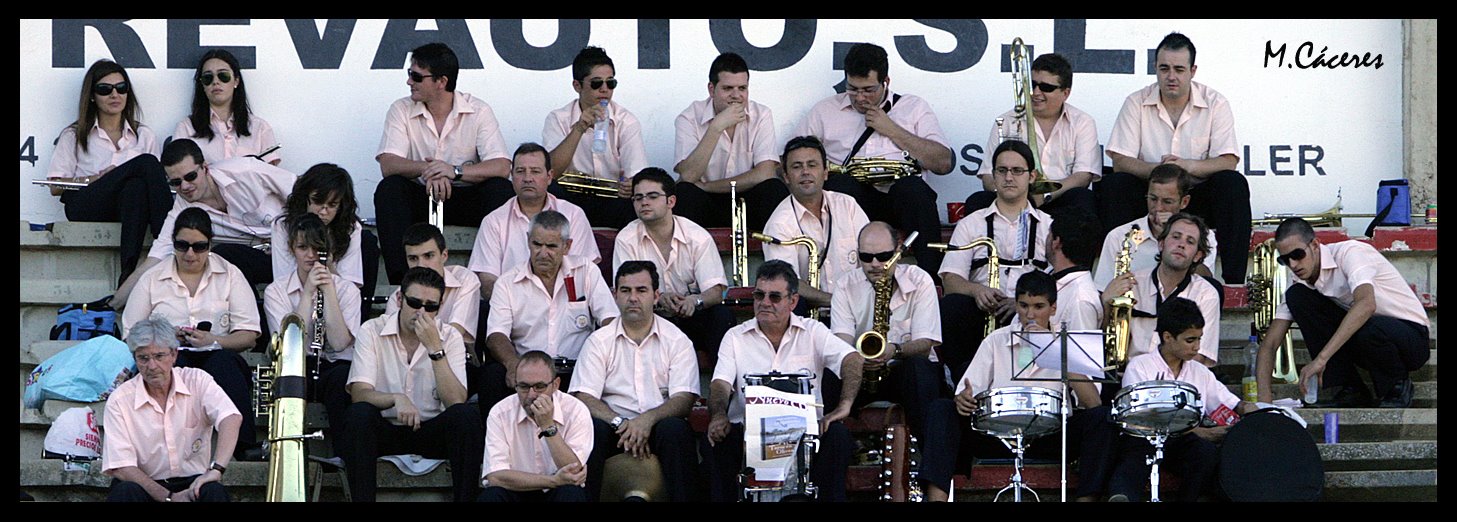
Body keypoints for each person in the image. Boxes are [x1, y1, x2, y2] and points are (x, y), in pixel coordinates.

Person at [921, 270, 1115, 502]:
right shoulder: (997, 339)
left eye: (1038, 307)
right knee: (942, 409)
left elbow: (1093, 403)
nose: (1030, 314)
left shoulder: (1068, 343)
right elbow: (966, 392)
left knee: (1103, 418)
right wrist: (962, 400)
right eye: (1023, 306)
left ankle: (1087, 500)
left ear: (1053, 308)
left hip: (1050, 434)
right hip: (997, 433)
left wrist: (1056, 350)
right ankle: (936, 499)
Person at [703, 260, 864, 502]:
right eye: (759, 295)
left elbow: (852, 358)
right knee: (718, 441)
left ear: (793, 302)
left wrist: (845, 406)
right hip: (749, 437)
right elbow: (720, 385)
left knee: (838, 437)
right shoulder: (735, 337)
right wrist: (718, 415)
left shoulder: (813, 331)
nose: (765, 303)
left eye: (775, 297)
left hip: (806, 439)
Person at [1101, 32, 1249, 285]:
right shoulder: (1135, 102)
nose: (1171, 76)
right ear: (1155, 69)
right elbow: (1121, 161)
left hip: (1195, 197)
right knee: (1115, 185)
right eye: (1164, 68)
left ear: (1192, 70)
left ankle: (1234, 282)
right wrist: (1159, 171)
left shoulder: (1216, 103)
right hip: (1152, 195)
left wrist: (1185, 166)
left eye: (1179, 69)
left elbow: (1228, 161)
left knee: (1232, 184)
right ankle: (1123, 276)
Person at [793, 42, 953, 275]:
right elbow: (793, 157)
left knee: (914, 190)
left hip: (900, 200)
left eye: (868, 90)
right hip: (852, 201)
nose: (859, 97)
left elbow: (943, 163)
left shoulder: (913, 107)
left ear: (885, 81)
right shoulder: (825, 111)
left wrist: (891, 129)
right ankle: (840, 280)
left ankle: (932, 280)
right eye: (852, 89)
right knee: (838, 187)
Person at [120, 207, 263, 461]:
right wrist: (164, 337)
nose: (190, 254)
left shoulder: (229, 274)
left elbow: (250, 334)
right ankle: (169, 443)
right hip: (170, 354)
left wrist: (215, 340)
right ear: (173, 243)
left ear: (210, 244)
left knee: (225, 364)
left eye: (199, 247)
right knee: (172, 367)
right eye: (182, 245)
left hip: (217, 352)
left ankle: (242, 443)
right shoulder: (153, 277)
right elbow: (131, 333)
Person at [374, 42, 513, 285]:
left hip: (463, 196)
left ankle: (496, 279)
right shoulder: (401, 109)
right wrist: (431, 169)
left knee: (500, 190)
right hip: (422, 196)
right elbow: (388, 164)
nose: (409, 82)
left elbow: (501, 165)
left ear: (441, 82)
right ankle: (402, 283)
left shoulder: (478, 110)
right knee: (390, 189)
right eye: (410, 74)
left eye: (416, 76)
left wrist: (455, 172)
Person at [1256, 218, 1431, 408]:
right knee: (1297, 296)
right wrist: (1264, 401)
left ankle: (1396, 387)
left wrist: (1320, 360)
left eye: (1298, 255)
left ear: (1315, 245)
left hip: (1411, 338)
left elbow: (1366, 304)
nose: (1293, 264)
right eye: (1285, 260)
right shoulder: (1298, 280)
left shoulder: (1350, 253)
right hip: (1368, 340)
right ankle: (1350, 390)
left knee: (1367, 324)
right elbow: (1270, 344)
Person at [342, 266, 483, 502]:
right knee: (358, 415)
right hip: (386, 428)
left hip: (431, 429)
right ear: (399, 298)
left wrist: (435, 350)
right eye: (415, 303)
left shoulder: (450, 337)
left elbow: (455, 401)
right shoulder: (372, 330)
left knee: (466, 418)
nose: (421, 312)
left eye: (430, 307)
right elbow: (359, 392)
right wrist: (396, 398)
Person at [570, 261, 700, 502]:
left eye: (641, 290)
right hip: (613, 427)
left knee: (676, 430)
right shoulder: (599, 341)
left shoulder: (677, 340)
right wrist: (622, 423)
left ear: (655, 295)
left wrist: (646, 421)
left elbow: (684, 399)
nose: (633, 298)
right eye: (625, 291)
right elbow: (584, 396)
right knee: (591, 430)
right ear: (615, 295)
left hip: (658, 426)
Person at [1107, 297, 1258, 502]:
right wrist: (1203, 432)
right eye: (1190, 340)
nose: (1197, 347)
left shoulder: (1200, 372)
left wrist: (1251, 409)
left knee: (1205, 454)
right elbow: (1139, 419)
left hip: (1182, 445)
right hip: (1145, 439)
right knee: (1134, 459)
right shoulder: (1140, 367)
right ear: (1168, 337)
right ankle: (1122, 496)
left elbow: (1229, 402)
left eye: (1199, 339)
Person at [113, 138, 294, 307]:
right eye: (176, 182)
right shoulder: (181, 211)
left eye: (190, 176)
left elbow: (303, 192)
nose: (184, 186)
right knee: (221, 256)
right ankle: (253, 331)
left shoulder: (245, 170)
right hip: (260, 260)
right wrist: (111, 306)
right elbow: (153, 262)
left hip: (295, 250)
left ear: (205, 168)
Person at [45, 59, 170, 286]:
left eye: (121, 88)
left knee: (137, 188)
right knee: (147, 163)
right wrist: (95, 178)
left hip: (127, 207)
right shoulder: (74, 135)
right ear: (92, 96)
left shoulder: (144, 135)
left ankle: (128, 272)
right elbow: (55, 186)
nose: (115, 95)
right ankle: (168, 240)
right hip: (87, 204)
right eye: (105, 89)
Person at [482, 210, 618, 413]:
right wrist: (512, 364)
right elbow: (496, 335)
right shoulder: (507, 282)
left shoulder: (586, 271)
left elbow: (610, 320)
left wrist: (598, 361)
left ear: (567, 246)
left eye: (552, 246)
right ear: (528, 241)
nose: (543, 253)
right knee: (492, 375)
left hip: (576, 372)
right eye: (537, 244)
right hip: (528, 373)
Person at [938, 140, 1053, 377]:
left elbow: (1059, 282)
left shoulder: (1049, 226)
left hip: (1028, 315)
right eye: (1002, 171)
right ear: (993, 176)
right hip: (981, 311)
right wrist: (976, 291)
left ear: (1032, 176)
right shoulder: (971, 223)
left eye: (1017, 171)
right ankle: (960, 379)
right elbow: (950, 280)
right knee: (952, 306)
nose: (1009, 177)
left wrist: (1021, 304)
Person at [103, 315, 241, 502]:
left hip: (193, 482)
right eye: (143, 358)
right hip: (145, 485)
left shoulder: (197, 380)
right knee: (124, 493)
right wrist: (169, 497)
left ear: (174, 355)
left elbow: (230, 417)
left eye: (159, 356)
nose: (152, 366)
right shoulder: (120, 400)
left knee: (213, 491)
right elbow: (122, 466)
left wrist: (216, 470)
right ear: (134, 358)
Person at [828, 222, 942, 440]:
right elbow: (840, 343)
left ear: (898, 251)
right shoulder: (846, 285)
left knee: (919, 369)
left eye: (883, 256)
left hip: (904, 371)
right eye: (866, 257)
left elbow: (926, 342)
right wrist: (859, 359)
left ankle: (929, 459)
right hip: (860, 372)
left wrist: (893, 350)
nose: (875, 264)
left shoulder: (920, 280)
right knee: (828, 375)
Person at [262, 213, 361, 457]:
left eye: (317, 248)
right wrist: (307, 294)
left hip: (333, 366)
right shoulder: (277, 291)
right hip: (296, 364)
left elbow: (339, 344)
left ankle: (343, 456)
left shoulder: (347, 290)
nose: (310, 255)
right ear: (291, 249)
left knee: (342, 381)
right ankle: (287, 454)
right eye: (302, 247)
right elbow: (287, 346)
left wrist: (328, 292)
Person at [612, 168, 734, 359]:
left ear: (671, 201)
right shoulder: (626, 238)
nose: (644, 202)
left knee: (721, 316)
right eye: (638, 198)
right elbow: (626, 290)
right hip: (652, 315)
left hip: (692, 314)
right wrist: (658, 299)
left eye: (652, 196)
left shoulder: (696, 236)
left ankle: (722, 384)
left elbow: (716, 291)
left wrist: (694, 301)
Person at [966, 53, 1098, 222]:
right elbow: (987, 176)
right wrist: (1016, 194)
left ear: (1065, 93)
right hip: (1012, 199)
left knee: (1082, 199)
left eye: (1046, 87)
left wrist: (1046, 196)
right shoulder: (1006, 121)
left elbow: (1083, 176)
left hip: (1058, 198)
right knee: (978, 201)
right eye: (1032, 85)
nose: (1036, 92)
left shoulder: (1083, 122)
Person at [469, 142, 600, 305]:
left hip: (564, 311)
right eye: (520, 171)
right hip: (512, 313)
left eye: (535, 171)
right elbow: (487, 280)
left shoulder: (573, 215)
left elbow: (584, 273)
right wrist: (522, 308)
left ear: (550, 176)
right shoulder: (494, 221)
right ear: (512, 176)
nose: (527, 178)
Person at [671, 52, 788, 230]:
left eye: (742, 88)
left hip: (744, 197)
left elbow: (765, 173)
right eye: (727, 89)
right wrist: (716, 127)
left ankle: (773, 254)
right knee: (685, 193)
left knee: (774, 189)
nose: (736, 95)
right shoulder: (688, 117)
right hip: (705, 202)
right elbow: (688, 176)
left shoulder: (761, 114)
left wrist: (708, 186)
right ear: (712, 89)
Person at [761, 136, 870, 315]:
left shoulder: (847, 205)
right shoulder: (778, 224)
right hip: (811, 319)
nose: (805, 172)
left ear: (826, 172)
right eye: (797, 167)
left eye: (812, 165)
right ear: (786, 177)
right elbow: (787, 283)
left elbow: (871, 256)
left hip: (857, 312)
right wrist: (837, 302)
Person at [544, 46, 648, 229]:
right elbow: (551, 172)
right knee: (549, 193)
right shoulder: (558, 118)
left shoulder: (626, 121)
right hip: (571, 198)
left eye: (611, 83)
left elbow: (637, 174)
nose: (604, 90)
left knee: (639, 204)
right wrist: (579, 128)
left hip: (612, 199)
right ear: (577, 86)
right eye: (596, 83)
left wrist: (631, 185)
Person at [1101, 212, 1222, 366]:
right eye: (1176, 237)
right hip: (1128, 378)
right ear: (1161, 244)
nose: (1181, 244)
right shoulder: (1131, 284)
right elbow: (1105, 346)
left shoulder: (1206, 294)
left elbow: (1198, 358)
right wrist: (1106, 304)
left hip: (1177, 380)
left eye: (1190, 241)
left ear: (1198, 256)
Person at [479, 351, 594, 503]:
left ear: (555, 385)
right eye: (524, 387)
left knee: (571, 494)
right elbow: (496, 477)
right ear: (516, 385)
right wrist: (553, 480)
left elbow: (573, 471)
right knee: (491, 497)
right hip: (517, 490)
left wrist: (548, 426)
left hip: (557, 493)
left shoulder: (575, 411)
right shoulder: (500, 412)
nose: (532, 395)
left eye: (540, 386)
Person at [1093, 164, 1218, 289]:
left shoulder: (1202, 235)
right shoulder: (1119, 236)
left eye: (1167, 201)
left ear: (1184, 202)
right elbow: (1103, 289)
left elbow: (1205, 281)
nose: (1158, 208)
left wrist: (1170, 235)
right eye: (1153, 199)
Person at [270, 163, 379, 307]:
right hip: (295, 300)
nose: (323, 212)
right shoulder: (283, 226)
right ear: (305, 198)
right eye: (317, 202)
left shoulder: (351, 228)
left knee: (369, 242)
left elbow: (349, 290)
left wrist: (329, 266)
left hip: (336, 299)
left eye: (332, 205)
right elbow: (283, 281)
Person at [174, 49, 281, 165]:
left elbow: (271, 177)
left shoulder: (259, 128)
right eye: (207, 78)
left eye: (223, 76)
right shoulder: (186, 128)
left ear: (236, 81)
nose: (215, 81)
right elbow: (178, 174)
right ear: (202, 86)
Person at [384, 223, 480, 349]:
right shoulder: (399, 296)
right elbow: (393, 343)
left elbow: (454, 336)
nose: (421, 265)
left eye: (428, 256)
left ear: (444, 255)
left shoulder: (464, 280)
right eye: (413, 258)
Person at [1046, 213, 1105, 331]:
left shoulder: (1081, 300)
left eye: (1049, 234)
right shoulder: (1049, 273)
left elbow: (1081, 348)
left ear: (1056, 242)